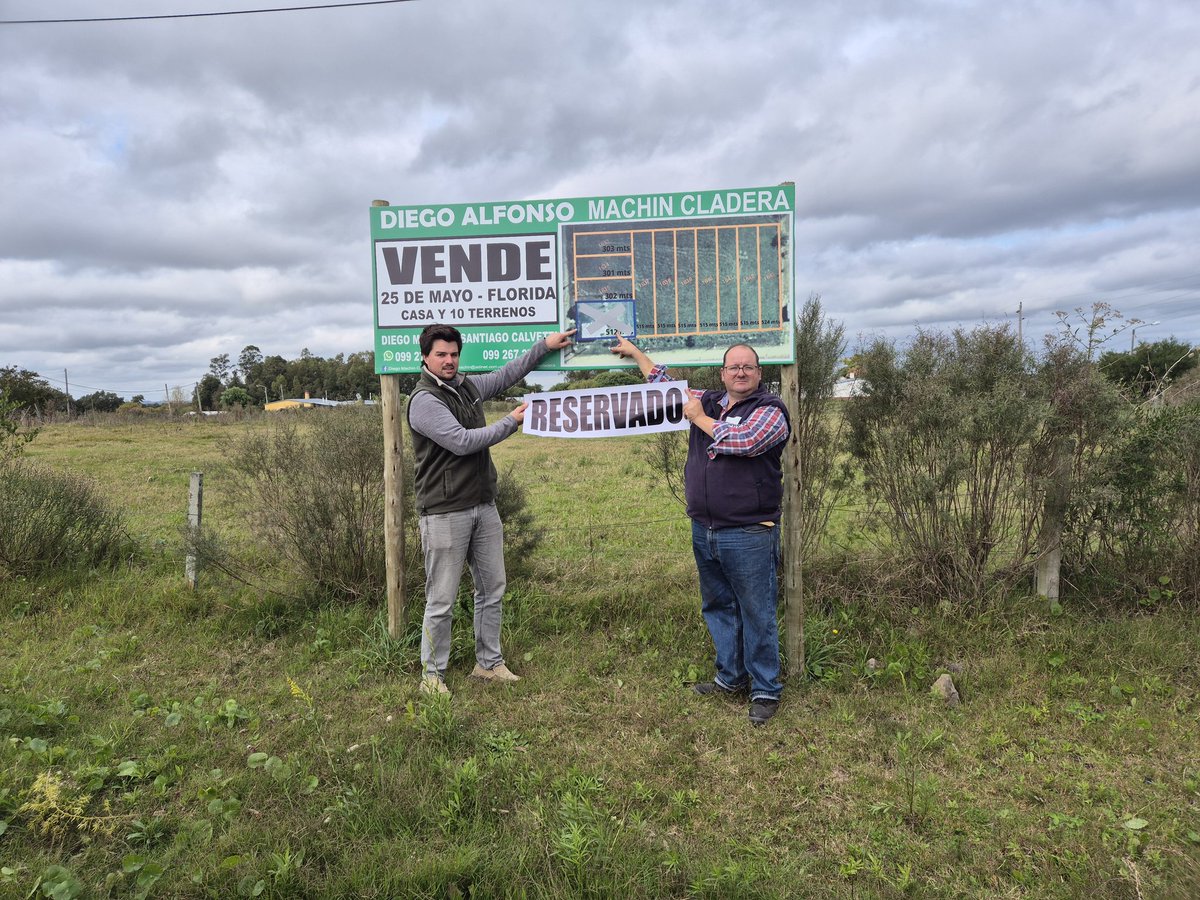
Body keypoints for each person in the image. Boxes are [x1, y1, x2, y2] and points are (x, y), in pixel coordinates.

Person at [611, 337, 790, 726]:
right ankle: (731, 677)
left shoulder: (770, 411)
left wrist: (698, 418)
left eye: (748, 367)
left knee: (757, 612)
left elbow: (742, 442)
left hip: (748, 532)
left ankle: (765, 689)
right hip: (705, 529)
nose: (740, 372)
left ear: (759, 374)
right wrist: (635, 354)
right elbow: (663, 383)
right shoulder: (706, 400)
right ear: (723, 373)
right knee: (718, 607)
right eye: (733, 367)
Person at [408, 323, 576, 696]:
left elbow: (505, 375)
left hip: (483, 505)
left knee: (492, 589)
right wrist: (511, 422)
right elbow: (463, 442)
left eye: (453, 354)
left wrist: (544, 346)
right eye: (441, 354)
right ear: (425, 357)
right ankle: (432, 676)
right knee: (442, 599)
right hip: (444, 512)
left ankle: (488, 664)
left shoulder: (467, 387)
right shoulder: (424, 400)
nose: (449, 360)